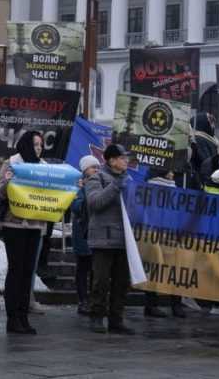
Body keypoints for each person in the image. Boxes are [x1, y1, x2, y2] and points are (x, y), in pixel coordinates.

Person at [0, 131, 46, 335]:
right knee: (16, 271)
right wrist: (9, 182)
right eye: (35, 144)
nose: (39, 148)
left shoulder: (44, 168)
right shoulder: (12, 164)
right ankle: (12, 318)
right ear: (25, 144)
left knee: (28, 272)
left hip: (35, 225)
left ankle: (23, 316)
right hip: (14, 225)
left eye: (41, 145)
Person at [83, 143, 134, 335]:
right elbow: (95, 203)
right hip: (103, 239)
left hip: (123, 240)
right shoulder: (97, 177)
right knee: (101, 281)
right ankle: (96, 317)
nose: (126, 161)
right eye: (122, 158)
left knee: (121, 282)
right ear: (112, 160)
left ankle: (116, 319)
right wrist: (115, 186)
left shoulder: (128, 179)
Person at [142, 167, 185, 319]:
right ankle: (174, 305)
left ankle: (152, 305)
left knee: (171, 269)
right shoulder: (150, 190)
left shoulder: (172, 189)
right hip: (161, 233)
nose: (173, 173)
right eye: (169, 171)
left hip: (164, 233)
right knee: (161, 269)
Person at [71, 155, 100, 315]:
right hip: (82, 234)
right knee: (82, 269)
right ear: (84, 170)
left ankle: (94, 300)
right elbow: (75, 206)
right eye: (92, 167)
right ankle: (83, 301)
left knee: (96, 270)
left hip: (96, 233)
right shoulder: (78, 186)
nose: (96, 169)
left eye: (97, 166)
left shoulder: (100, 184)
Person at [190, 112, 219, 188]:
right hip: (203, 180)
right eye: (210, 121)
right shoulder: (199, 139)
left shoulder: (210, 139)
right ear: (203, 123)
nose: (213, 125)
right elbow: (206, 160)